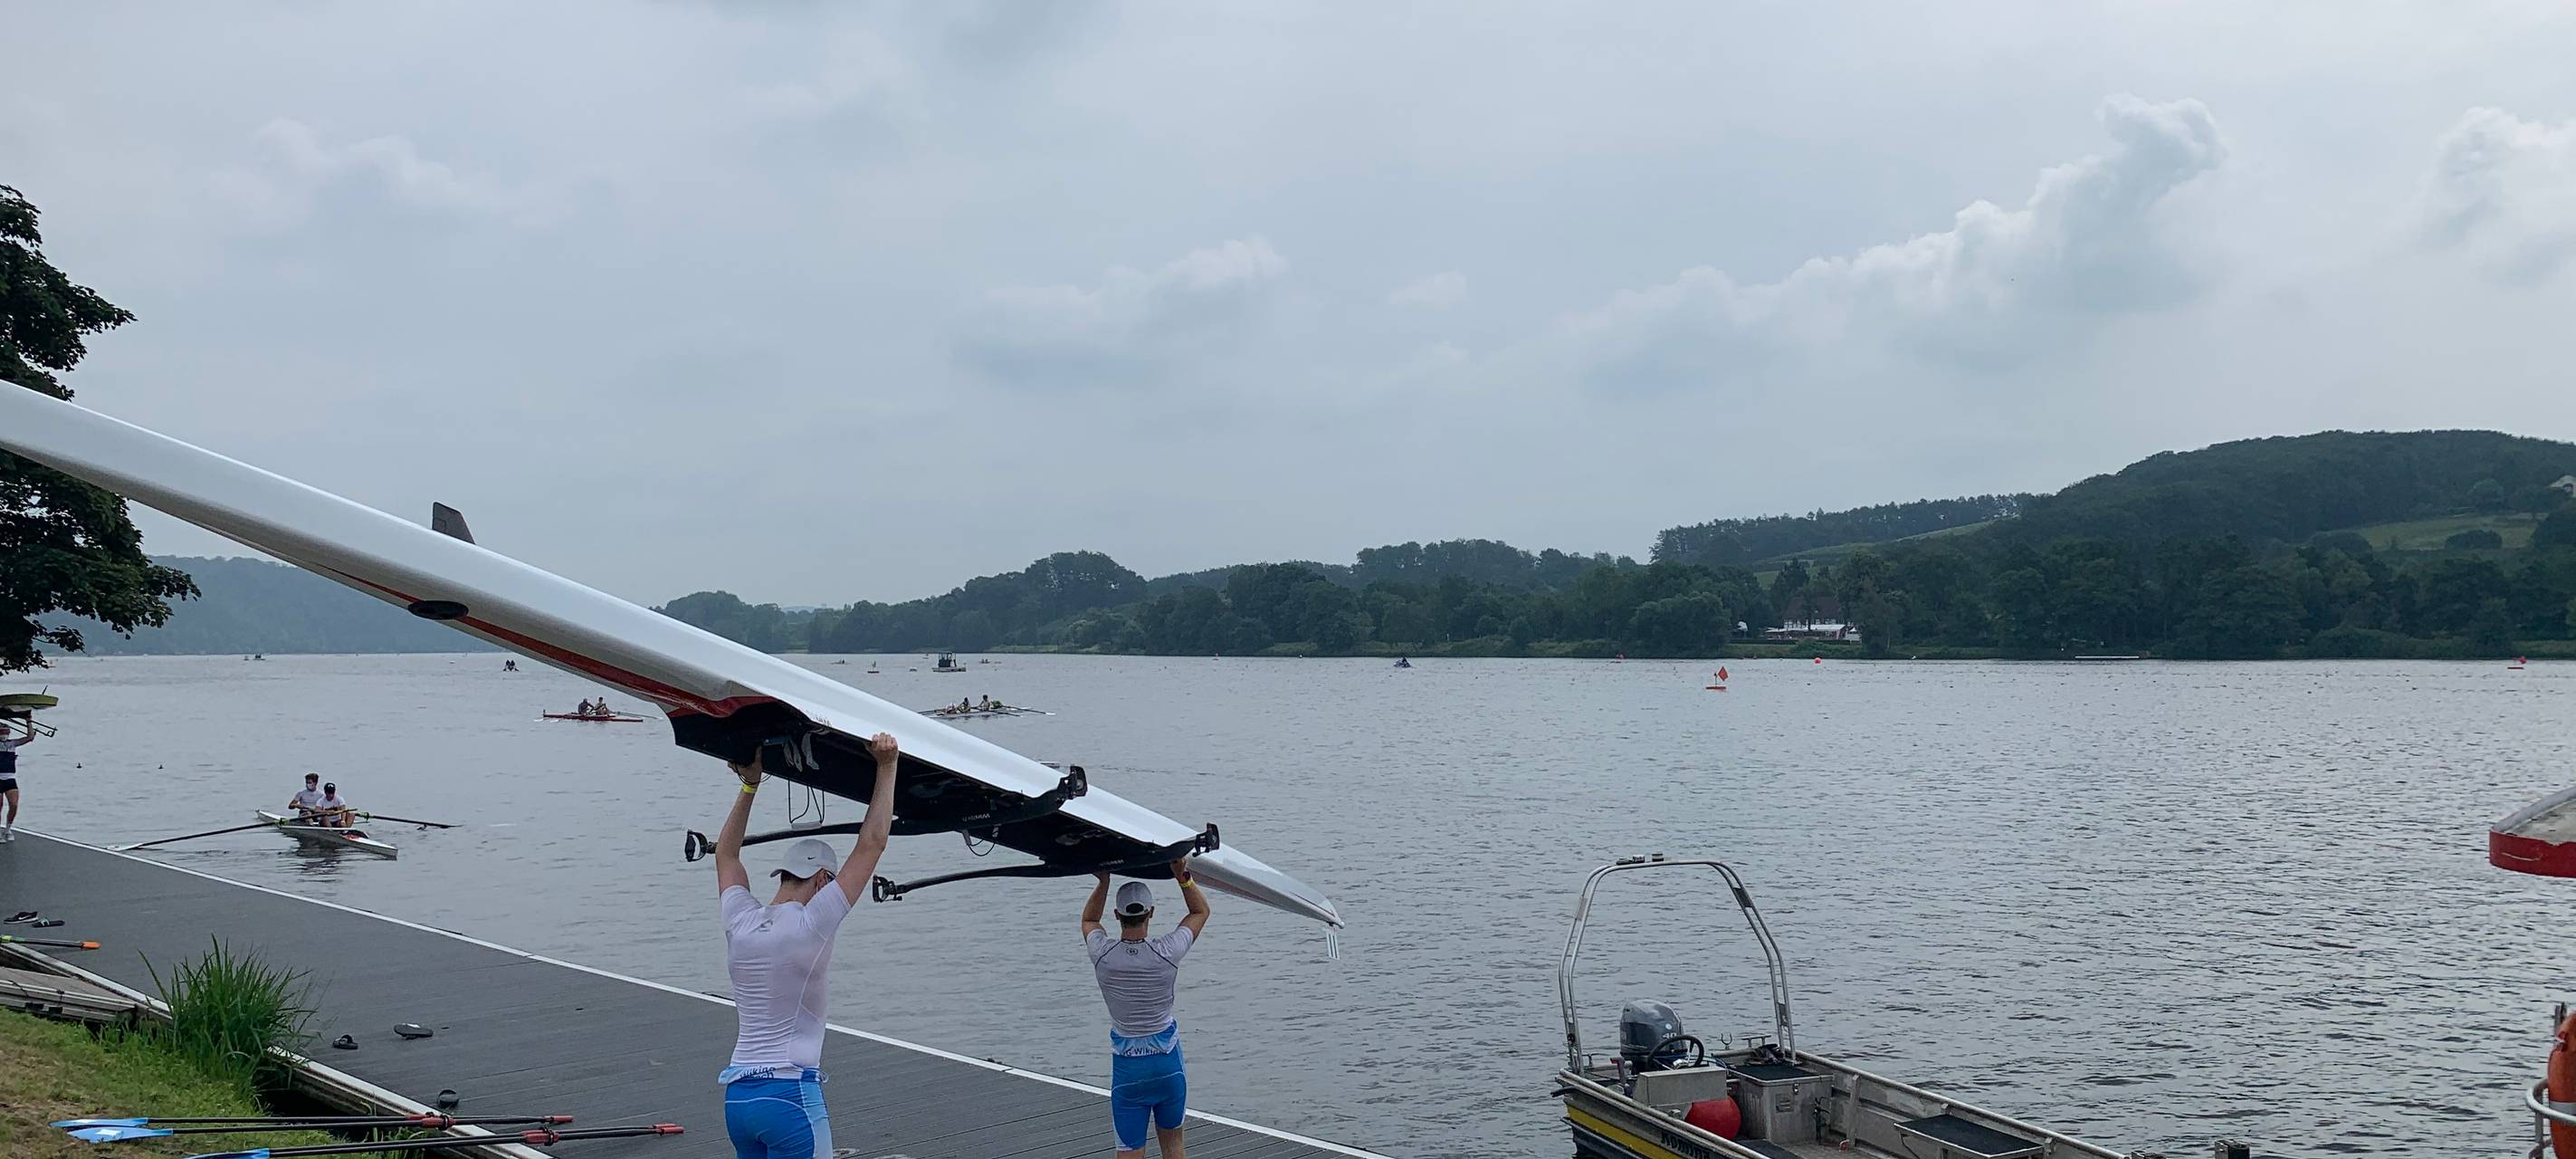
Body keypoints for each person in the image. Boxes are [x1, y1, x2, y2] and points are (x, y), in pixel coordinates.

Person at [715, 731, 902, 1159]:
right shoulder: (812, 922)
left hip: (739, 1100)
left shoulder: (740, 919)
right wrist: (887, 767)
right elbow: (871, 843)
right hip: (789, 1099)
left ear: (784, 874)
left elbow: (726, 855)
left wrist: (749, 784)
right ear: (822, 880)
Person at [1080, 860, 1211, 1159]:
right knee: (1174, 1146)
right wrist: (1183, 875)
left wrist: (1103, 882)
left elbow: (1088, 920)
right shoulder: (1167, 952)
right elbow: (1200, 912)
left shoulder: (1102, 954)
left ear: (1117, 915)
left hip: (1129, 1072)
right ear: (1151, 913)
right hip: (1167, 1067)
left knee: (1129, 1153)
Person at [0, 714, 32, 843]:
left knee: (14, 805)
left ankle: (8, 829)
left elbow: (30, 737)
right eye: (2, 733)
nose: (4, 735)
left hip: (10, 779)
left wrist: (28, 721)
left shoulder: (12, 744)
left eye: (6, 733)